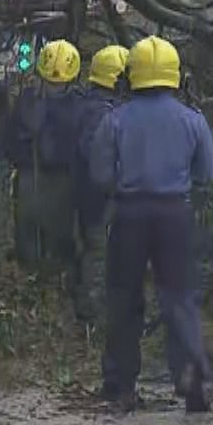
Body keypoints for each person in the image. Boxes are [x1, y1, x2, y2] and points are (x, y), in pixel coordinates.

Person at [87, 36, 213, 413]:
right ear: (174, 74)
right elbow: (206, 173)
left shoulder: (115, 120)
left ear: (134, 75)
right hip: (175, 214)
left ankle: (120, 384)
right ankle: (193, 375)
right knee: (179, 297)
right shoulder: (193, 121)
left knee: (124, 298)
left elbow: (99, 174)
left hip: (129, 215)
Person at [0, 40, 92, 319]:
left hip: (30, 179)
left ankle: (34, 302)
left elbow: (3, 139)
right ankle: (60, 304)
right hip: (62, 182)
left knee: (30, 245)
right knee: (62, 246)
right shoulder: (82, 105)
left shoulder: (25, 100)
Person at [76, 44, 130, 336]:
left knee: (94, 250)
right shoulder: (104, 112)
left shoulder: (86, 103)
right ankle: (93, 318)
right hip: (101, 195)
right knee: (98, 253)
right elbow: (96, 154)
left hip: (87, 191)